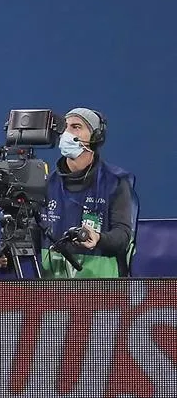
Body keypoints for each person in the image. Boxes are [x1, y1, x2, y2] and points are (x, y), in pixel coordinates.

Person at [40, 107, 139, 278]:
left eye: (76, 127)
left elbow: (123, 236)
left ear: (95, 138)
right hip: (53, 292)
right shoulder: (46, 183)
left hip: (101, 291)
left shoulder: (116, 182)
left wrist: (99, 238)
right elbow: (33, 233)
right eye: (65, 127)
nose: (67, 133)